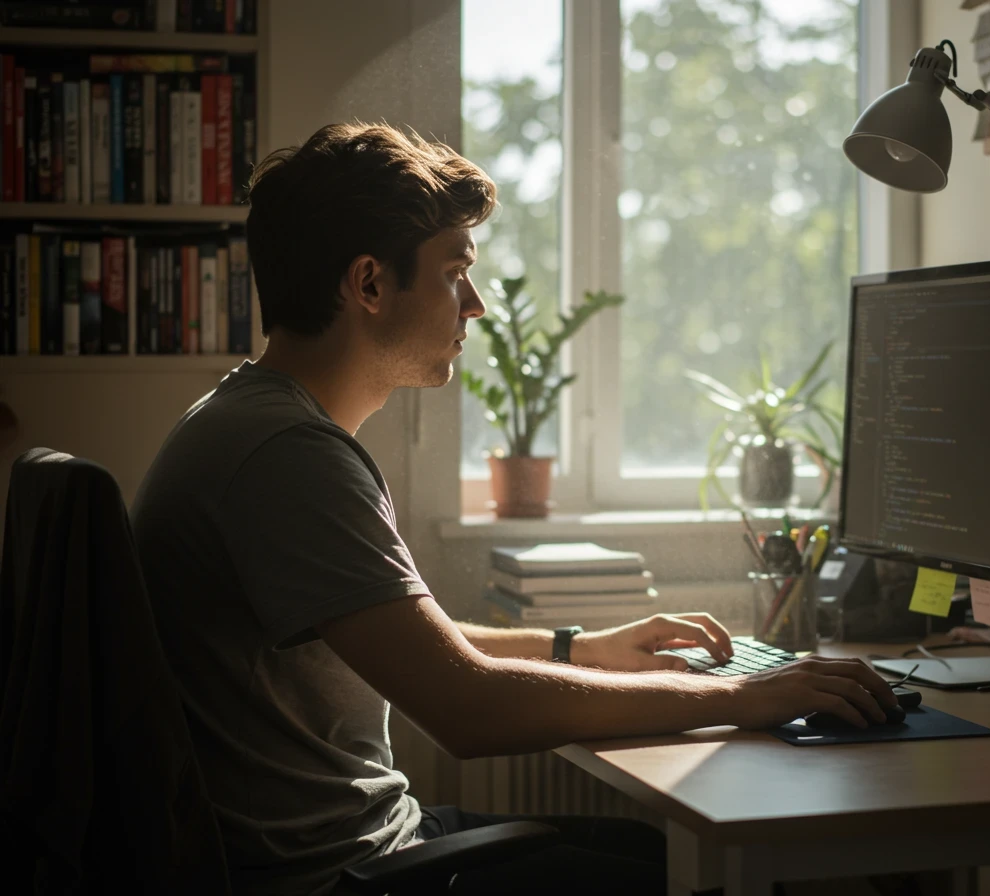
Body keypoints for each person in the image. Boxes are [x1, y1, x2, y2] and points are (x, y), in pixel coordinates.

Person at [130, 122, 899, 896]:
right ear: (368, 285)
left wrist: (580, 648)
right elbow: (467, 709)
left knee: (661, 855)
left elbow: (406, 638)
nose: (477, 305)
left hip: (366, 850)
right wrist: (741, 696)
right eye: (455, 273)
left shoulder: (258, 423)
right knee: (728, 874)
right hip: (346, 878)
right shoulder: (287, 456)